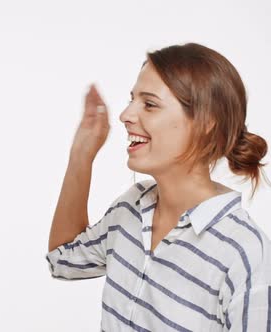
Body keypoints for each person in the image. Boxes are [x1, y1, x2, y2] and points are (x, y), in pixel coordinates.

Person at [47, 43, 270, 331]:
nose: (125, 114)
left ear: (206, 123)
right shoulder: (132, 207)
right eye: (132, 99)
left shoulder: (246, 254)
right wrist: (82, 154)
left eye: (149, 104)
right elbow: (63, 259)